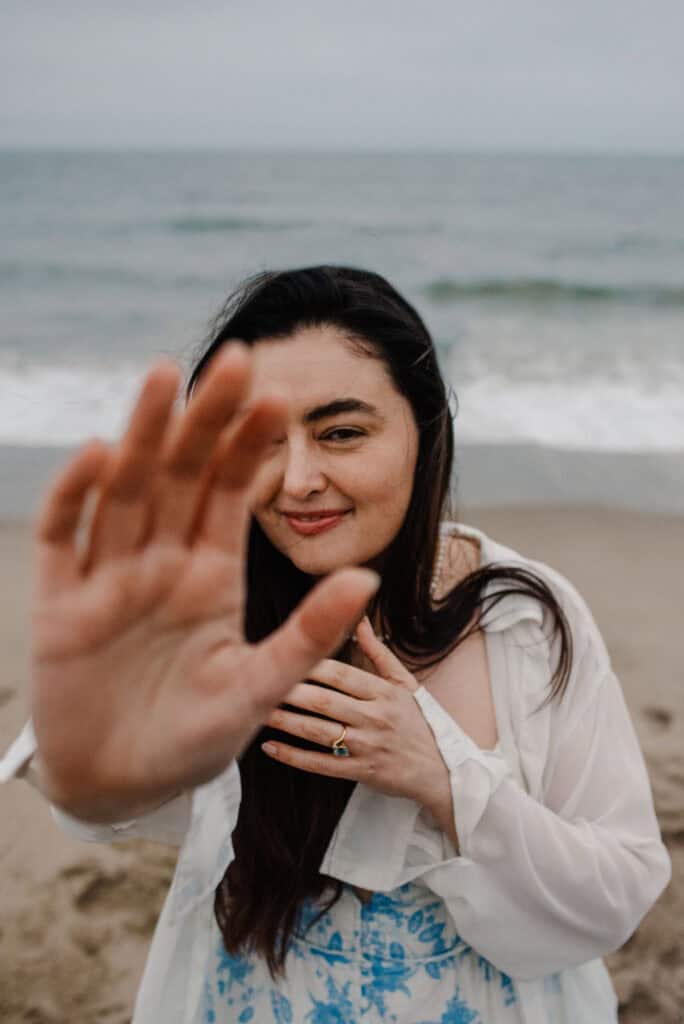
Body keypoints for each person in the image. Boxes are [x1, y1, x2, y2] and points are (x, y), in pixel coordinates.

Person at [0, 265, 670, 1024]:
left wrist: (443, 779)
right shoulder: (214, 620)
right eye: (259, 443)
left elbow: (616, 897)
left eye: (341, 432)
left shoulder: (524, 619)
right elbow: (101, 795)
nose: (296, 481)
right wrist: (95, 774)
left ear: (425, 430)